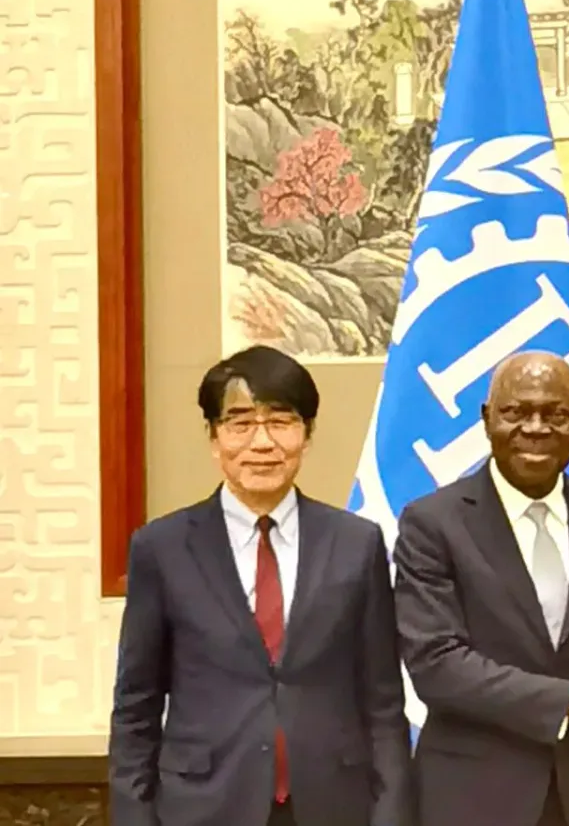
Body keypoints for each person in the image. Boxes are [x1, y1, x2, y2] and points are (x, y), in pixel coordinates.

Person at [108, 345, 413, 826]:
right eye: (241, 423)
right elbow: (135, 707)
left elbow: (383, 701)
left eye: (281, 421)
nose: (262, 442)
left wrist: (391, 814)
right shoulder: (161, 548)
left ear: (307, 434)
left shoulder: (357, 543)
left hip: (334, 805)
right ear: (214, 437)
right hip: (204, 807)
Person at [392, 351, 569, 826]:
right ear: (486, 418)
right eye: (516, 412)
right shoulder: (433, 523)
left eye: (556, 414)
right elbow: (437, 665)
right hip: (472, 800)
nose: (536, 428)